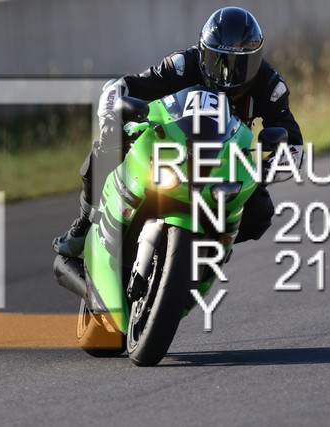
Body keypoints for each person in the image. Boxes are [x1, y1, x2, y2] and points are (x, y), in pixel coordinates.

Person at [53, 6, 304, 258]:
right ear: (203, 51)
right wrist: (111, 119)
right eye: (218, 61)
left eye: (241, 65)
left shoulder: (270, 86)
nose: (228, 74)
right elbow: (121, 87)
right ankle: (85, 222)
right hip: (168, 145)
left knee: (260, 212)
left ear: (257, 60)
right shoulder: (183, 65)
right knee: (107, 149)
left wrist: (264, 169)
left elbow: (295, 148)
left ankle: (209, 248)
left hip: (224, 164)